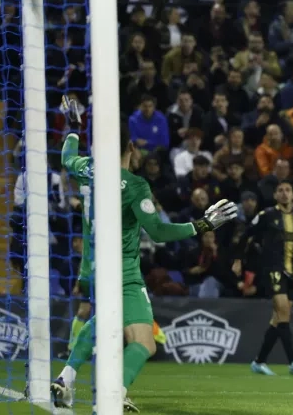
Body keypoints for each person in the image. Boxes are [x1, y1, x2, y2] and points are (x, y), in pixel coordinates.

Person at [51, 97, 238, 411]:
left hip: (91, 268)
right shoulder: (134, 185)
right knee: (144, 342)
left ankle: (65, 379)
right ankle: (110, 396)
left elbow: (67, 156)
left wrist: (73, 127)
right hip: (122, 269)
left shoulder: (85, 169)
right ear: (131, 148)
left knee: (103, 321)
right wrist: (203, 223)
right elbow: (159, 232)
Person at [232, 181, 293, 376]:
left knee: (279, 318)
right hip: (271, 269)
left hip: (290, 272)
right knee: (283, 310)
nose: (284, 193)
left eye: (288, 190)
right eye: (280, 191)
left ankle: (259, 361)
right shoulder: (266, 216)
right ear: (275, 196)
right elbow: (246, 235)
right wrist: (238, 259)